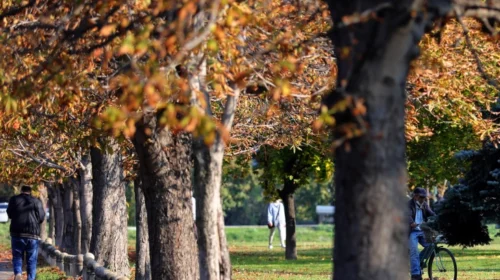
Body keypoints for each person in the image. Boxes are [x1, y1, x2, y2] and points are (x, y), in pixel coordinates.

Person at [7, 185, 46, 280]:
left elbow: (10, 214)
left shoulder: (14, 199)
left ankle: (18, 273)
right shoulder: (37, 201)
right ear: (30, 192)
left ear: (21, 191)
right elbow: (41, 217)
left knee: (17, 256)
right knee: (32, 259)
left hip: (17, 233)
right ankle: (31, 278)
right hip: (33, 235)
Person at [408, 187, 436, 280]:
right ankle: (415, 275)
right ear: (415, 196)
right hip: (412, 231)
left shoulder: (424, 204)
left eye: (424, 197)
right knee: (414, 251)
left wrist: (438, 219)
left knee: (431, 245)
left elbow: (431, 213)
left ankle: (419, 262)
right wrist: (411, 223)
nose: (423, 199)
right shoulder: (409, 204)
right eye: (421, 197)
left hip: (422, 230)